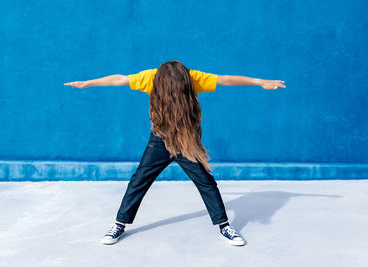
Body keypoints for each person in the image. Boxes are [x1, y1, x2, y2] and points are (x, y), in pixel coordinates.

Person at [64, 60, 285, 246]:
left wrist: (260, 82)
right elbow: (119, 79)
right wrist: (88, 83)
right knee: (139, 180)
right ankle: (119, 224)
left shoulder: (193, 78)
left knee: (205, 182)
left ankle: (224, 226)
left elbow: (225, 79)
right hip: (160, 138)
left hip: (186, 139)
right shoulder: (151, 77)